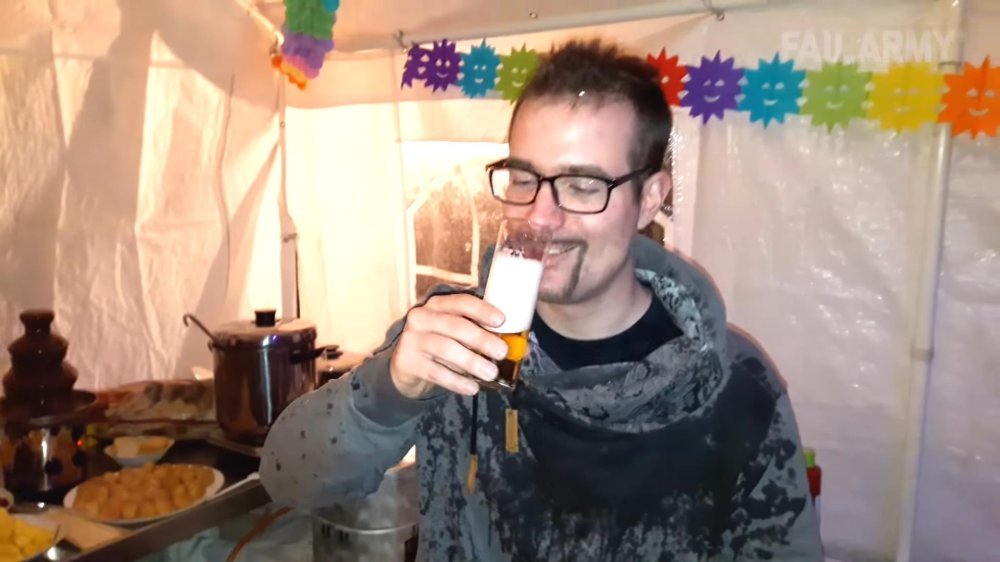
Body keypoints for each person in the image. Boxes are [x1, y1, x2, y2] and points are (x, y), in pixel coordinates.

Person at [261, 38, 823, 561]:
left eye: (583, 186)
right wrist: (387, 392)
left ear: (650, 198)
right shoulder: (455, 338)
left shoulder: (736, 388)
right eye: (524, 178)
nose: (540, 216)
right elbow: (286, 480)